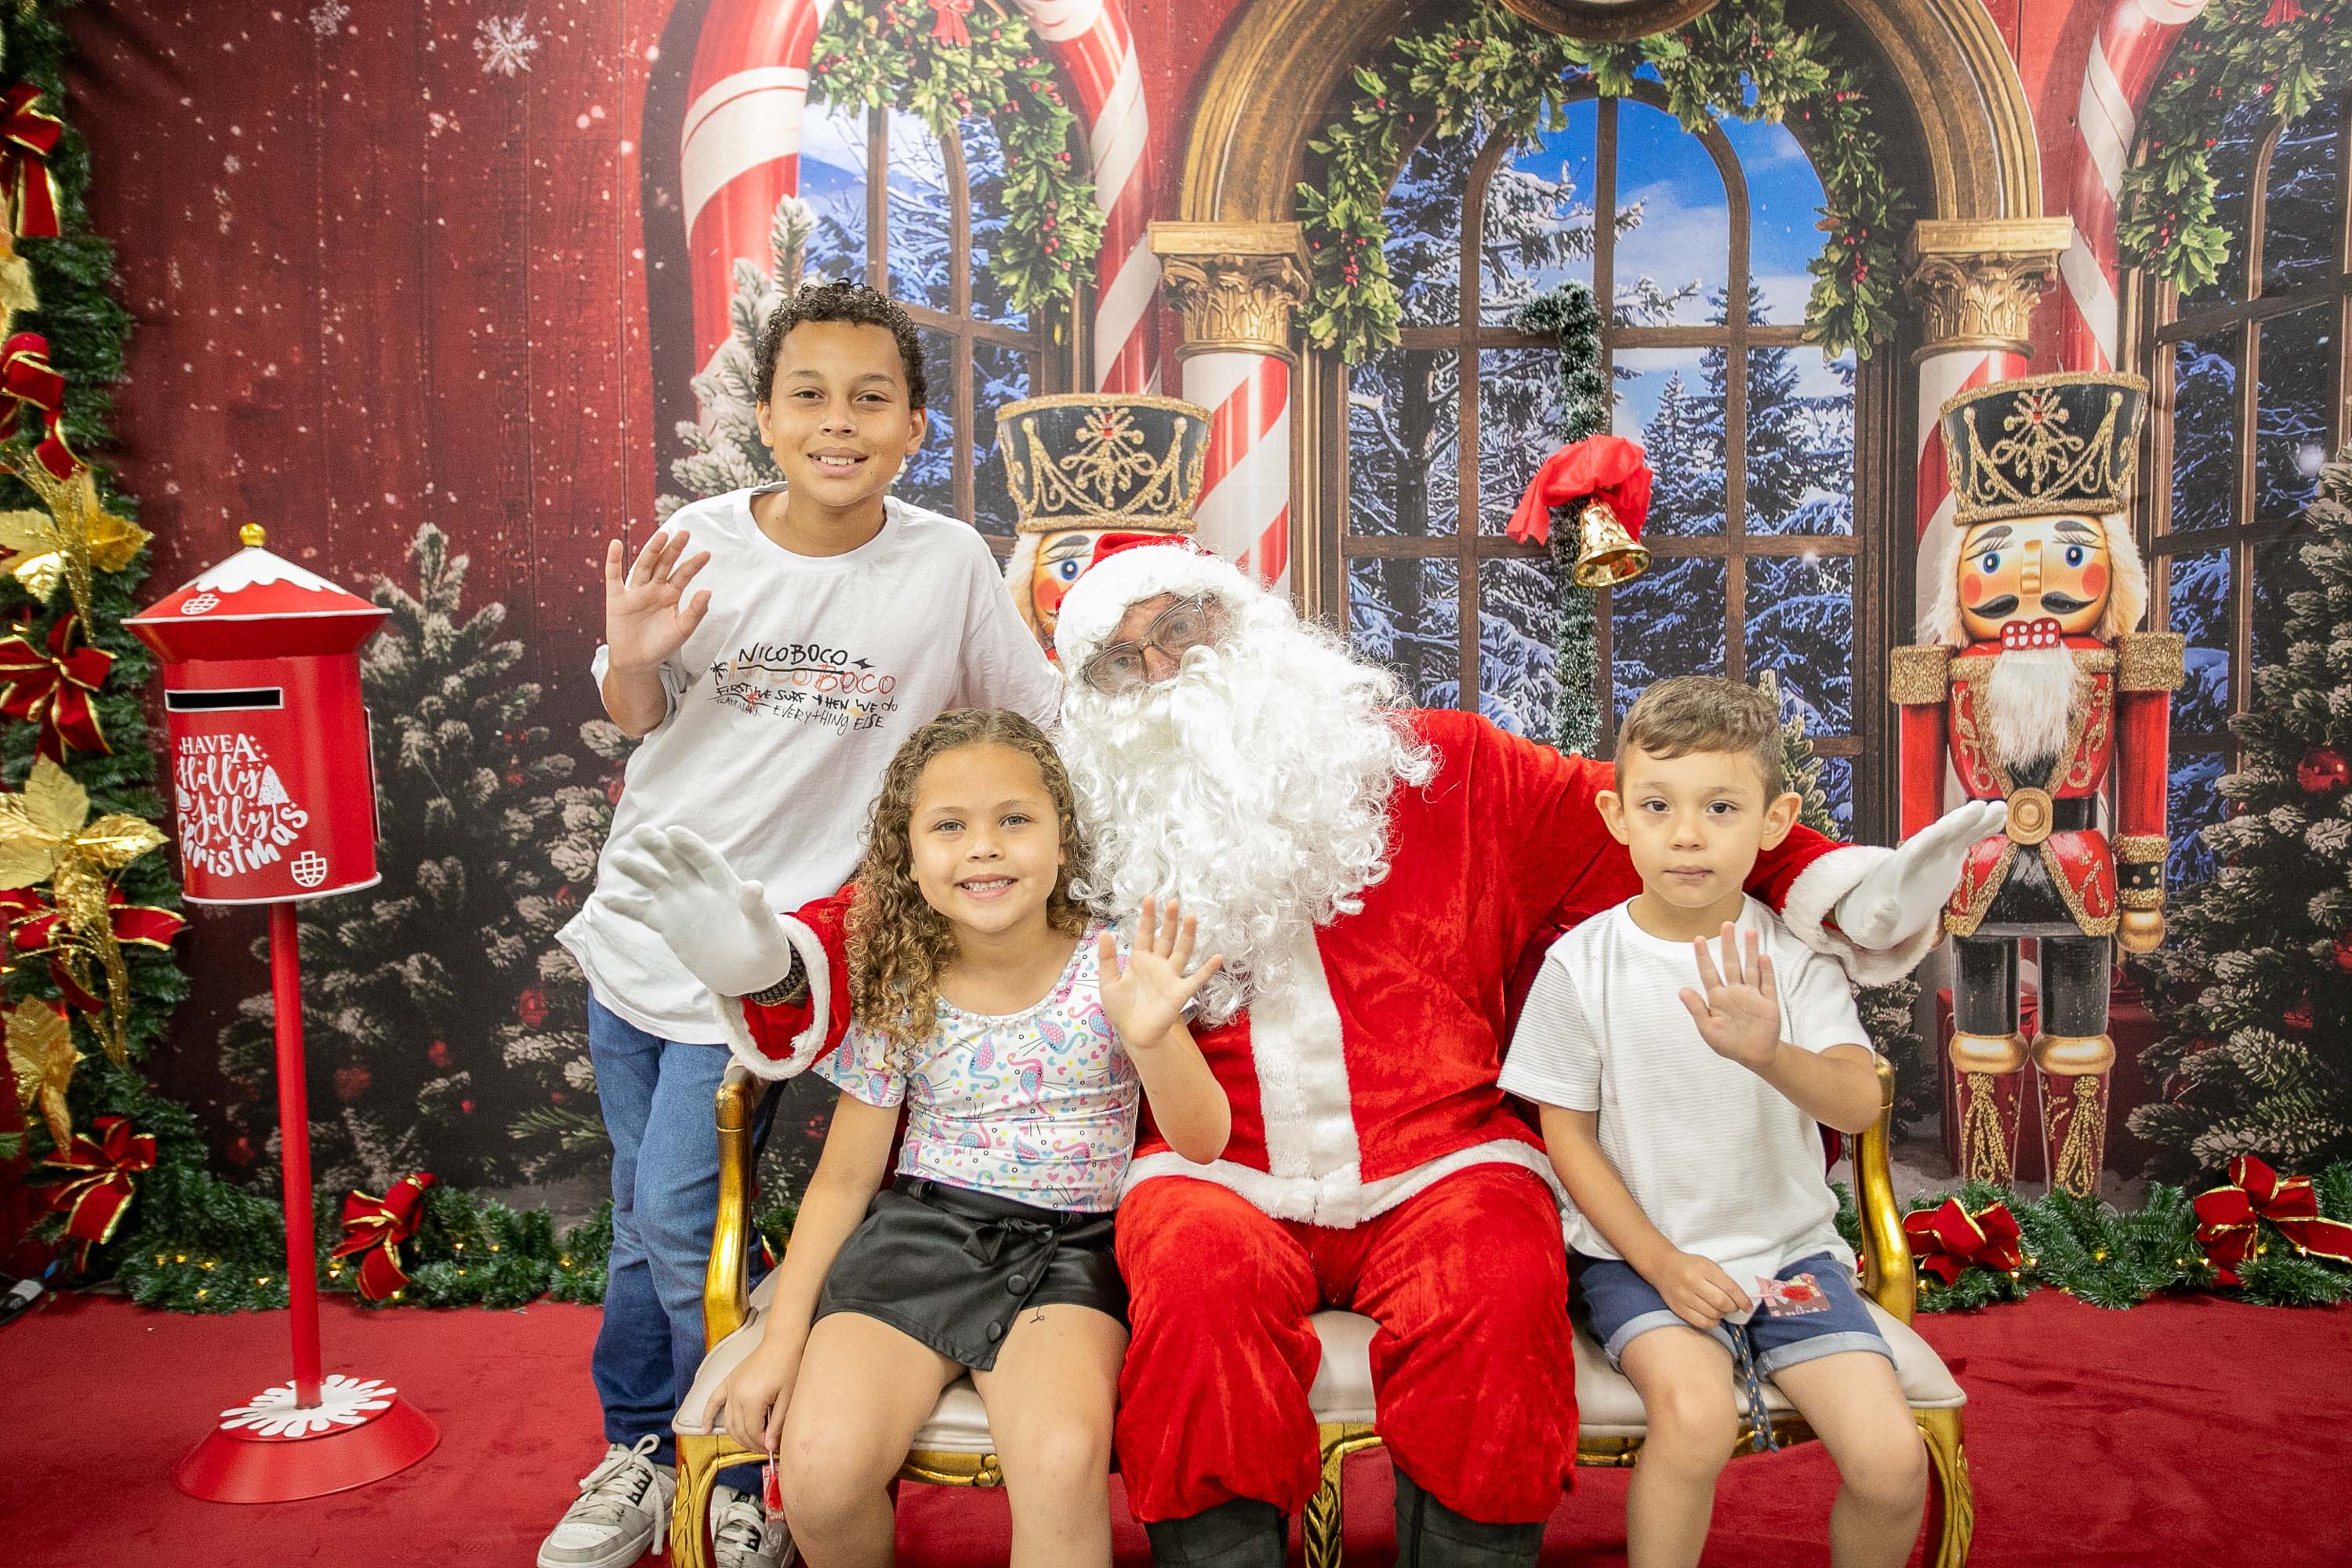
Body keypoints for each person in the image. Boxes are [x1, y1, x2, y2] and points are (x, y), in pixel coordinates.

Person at [609, 532, 1998, 1568]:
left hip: (1442, 1153)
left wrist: (1841, 884)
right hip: (1217, 1167)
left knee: (1496, 1275)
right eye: (1123, 657)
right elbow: (910, 910)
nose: (1166, 666)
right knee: (1198, 1299)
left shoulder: (1448, 767)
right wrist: (767, 956)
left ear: (1258, 623)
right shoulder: (1076, 808)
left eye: (1186, 625)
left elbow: (1658, 822)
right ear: (1091, 696)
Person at [539, 283, 1061, 1568]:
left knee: (672, 1210)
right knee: (638, 1209)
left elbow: (1040, 715)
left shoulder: (942, 568)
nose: (840, 424)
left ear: (916, 425)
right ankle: (641, 1450)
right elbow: (638, 719)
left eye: (871, 399)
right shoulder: (703, 539)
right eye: (810, 397)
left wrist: (1148, 663)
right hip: (645, 926)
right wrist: (631, 656)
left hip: (774, 959)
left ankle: (735, 1453)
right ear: (765, 416)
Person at [638, 708, 1229, 1567]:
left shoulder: (1113, 969)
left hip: (1069, 1252)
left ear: (1063, 840)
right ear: (909, 857)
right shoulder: (903, 982)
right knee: (820, 1465)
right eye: (949, 826)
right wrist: (780, 1339)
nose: (983, 847)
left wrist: (1151, 1035)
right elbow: (844, 1180)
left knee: (1062, 1460)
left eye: (1015, 819)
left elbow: (1203, 1137)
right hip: (919, 1235)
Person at [1498, 676, 1928, 1568]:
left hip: (1789, 1257)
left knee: (1891, 1461)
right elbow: (1566, 1136)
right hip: (1638, 1261)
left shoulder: (1795, 960)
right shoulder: (1582, 965)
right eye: (1659, 805)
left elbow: (1857, 1100)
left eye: (1721, 806)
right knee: (1692, 1424)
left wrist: (1772, 1054)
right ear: (1620, 816)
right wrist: (1660, 1260)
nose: (1688, 834)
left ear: (1775, 820)